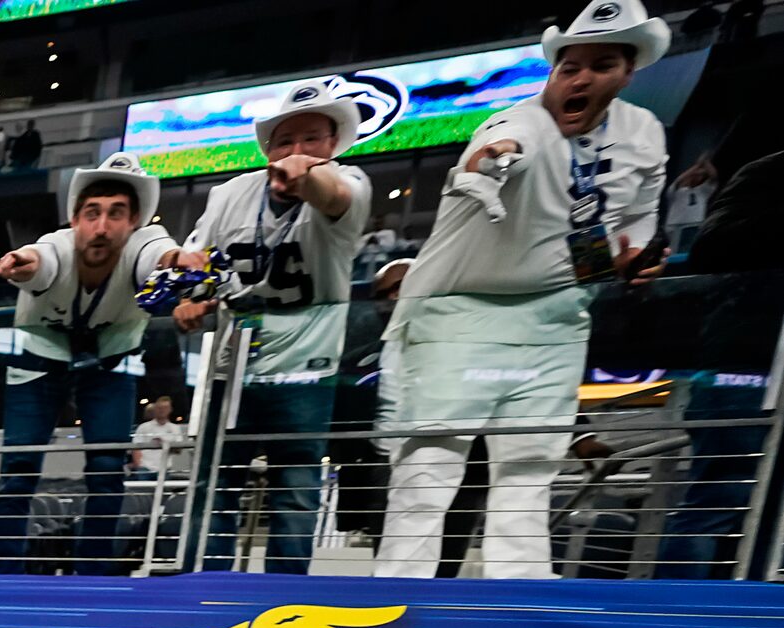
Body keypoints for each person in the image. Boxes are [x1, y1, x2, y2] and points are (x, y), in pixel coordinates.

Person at [374, 0, 669, 579]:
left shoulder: (644, 132)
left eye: (599, 65)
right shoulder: (518, 121)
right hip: (458, 316)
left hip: (557, 321)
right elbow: (496, 146)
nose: (579, 78)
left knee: (530, 474)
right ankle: (393, 608)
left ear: (628, 71)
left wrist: (630, 260)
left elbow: (637, 217)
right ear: (553, 72)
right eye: (568, 67)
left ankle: (523, 610)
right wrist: (488, 165)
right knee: (428, 473)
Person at [166, 77, 371, 575]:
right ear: (266, 147)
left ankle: (285, 602)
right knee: (212, 486)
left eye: (311, 140)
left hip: (307, 368)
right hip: (232, 364)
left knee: (296, 491)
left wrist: (306, 176)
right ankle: (201, 588)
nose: (296, 151)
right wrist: (191, 293)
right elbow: (196, 265)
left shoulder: (352, 183)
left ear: (333, 144)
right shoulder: (229, 194)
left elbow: (334, 195)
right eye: (284, 141)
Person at [0, 153, 176, 572]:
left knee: (108, 468)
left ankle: (93, 577)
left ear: (134, 223)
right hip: (39, 354)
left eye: (117, 214)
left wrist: (179, 262)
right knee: (18, 467)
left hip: (114, 358)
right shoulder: (56, 244)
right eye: (92, 213)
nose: (102, 226)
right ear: (75, 220)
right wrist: (23, 266)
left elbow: (161, 254)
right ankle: (4, 578)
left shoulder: (146, 244)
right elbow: (41, 259)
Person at [130, 393, 190, 470]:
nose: (162, 410)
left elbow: (179, 450)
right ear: (155, 409)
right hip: (145, 468)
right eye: (159, 408)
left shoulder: (175, 428)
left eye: (165, 407)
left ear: (170, 409)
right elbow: (135, 448)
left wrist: (165, 443)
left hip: (165, 468)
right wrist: (138, 465)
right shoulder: (143, 427)